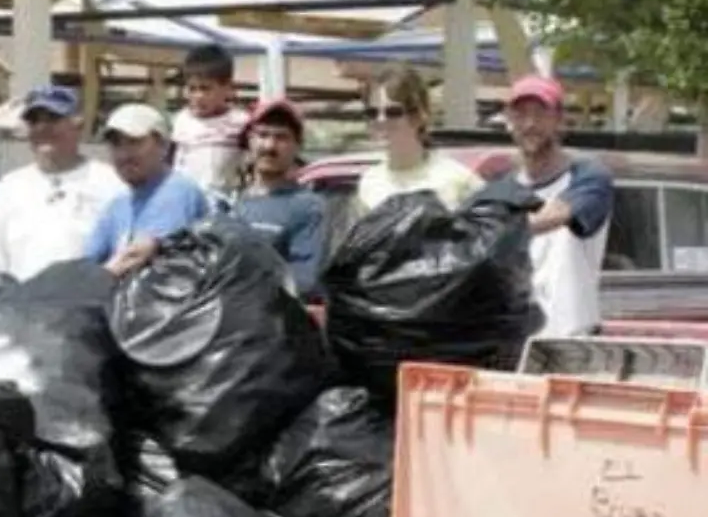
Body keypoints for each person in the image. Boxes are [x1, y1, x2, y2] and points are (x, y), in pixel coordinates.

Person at [492, 76, 615, 336]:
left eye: (540, 114)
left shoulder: (589, 176)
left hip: (570, 339)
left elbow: (556, 215)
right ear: (508, 121)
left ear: (559, 120)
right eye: (520, 114)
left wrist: (494, 230)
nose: (530, 124)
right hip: (513, 339)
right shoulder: (499, 189)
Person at [0, 85, 126, 281]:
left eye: (53, 119)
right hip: (21, 306)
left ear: (77, 124)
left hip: (86, 304)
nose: (42, 128)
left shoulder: (111, 183)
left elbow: (124, 254)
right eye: (34, 120)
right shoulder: (10, 186)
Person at [82, 104, 212, 277]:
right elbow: (87, 261)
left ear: (164, 146)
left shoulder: (176, 191)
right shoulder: (118, 204)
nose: (124, 154)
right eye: (116, 144)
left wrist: (92, 283)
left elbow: (138, 257)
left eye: (134, 142)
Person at [228, 98, 327, 299]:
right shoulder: (229, 204)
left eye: (281, 137)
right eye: (262, 135)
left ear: (297, 146)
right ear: (249, 140)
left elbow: (305, 280)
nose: (270, 146)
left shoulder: (307, 207)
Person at [355, 65, 483, 214]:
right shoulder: (370, 181)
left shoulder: (458, 180)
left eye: (393, 112)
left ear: (418, 116)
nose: (381, 120)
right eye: (372, 112)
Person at [171, 45, 251, 203]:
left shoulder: (240, 122)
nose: (198, 96)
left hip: (225, 205)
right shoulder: (182, 121)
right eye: (192, 89)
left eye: (205, 89)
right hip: (187, 203)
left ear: (227, 88)